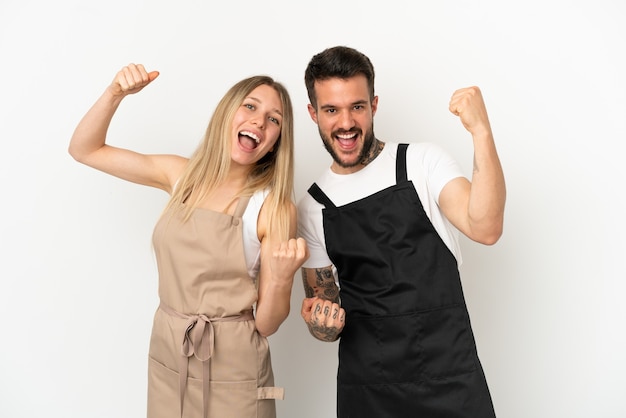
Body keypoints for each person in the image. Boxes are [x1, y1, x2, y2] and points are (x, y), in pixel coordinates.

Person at [69, 63, 309, 418]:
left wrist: (284, 276)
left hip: (234, 368)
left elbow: (266, 324)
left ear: (276, 142)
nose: (260, 121)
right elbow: (84, 150)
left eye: (274, 119)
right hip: (169, 348)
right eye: (251, 106)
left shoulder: (273, 208)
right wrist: (114, 94)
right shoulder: (181, 176)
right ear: (227, 113)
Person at [298, 46, 506, 417]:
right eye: (331, 109)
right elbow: (323, 318)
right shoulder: (313, 206)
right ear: (313, 113)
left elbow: (486, 227)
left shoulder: (421, 163)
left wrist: (481, 131)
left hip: (450, 380)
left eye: (357, 106)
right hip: (369, 391)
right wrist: (321, 322)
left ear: (374, 105)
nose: (345, 122)